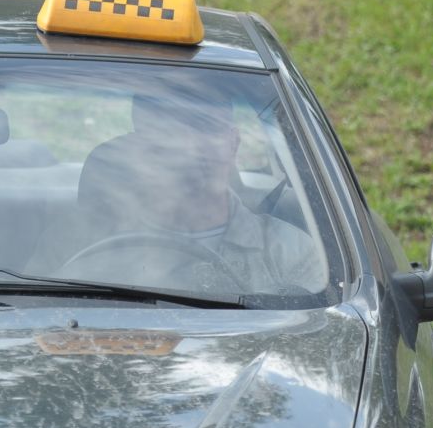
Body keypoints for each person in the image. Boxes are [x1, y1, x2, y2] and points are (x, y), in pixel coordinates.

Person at [48, 97, 323, 292]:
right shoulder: (79, 245)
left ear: (233, 144)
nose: (190, 149)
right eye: (167, 135)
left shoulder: (291, 254)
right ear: (138, 152)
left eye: (206, 129)